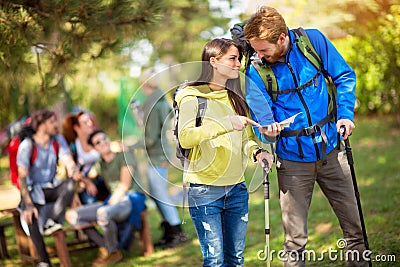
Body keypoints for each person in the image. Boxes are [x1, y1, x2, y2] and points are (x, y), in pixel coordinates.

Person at [243, 6, 368, 267]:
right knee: (294, 241)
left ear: (281, 38)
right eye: (255, 49)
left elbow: (344, 76)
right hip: (292, 161)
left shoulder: (313, 42)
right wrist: (267, 131)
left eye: (263, 49)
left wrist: (345, 114)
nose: (258, 54)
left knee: (355, 228)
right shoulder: (256, 72)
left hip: (333, 150)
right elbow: (261, 122)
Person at [175, 38, 275, 267]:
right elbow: (186, 137)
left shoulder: (235, 95)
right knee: (215, 260)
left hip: (237, 189)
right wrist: (225, 123)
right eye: (232, 58)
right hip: (205, 190)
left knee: (236, 259)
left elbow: (246, 139)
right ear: (214, 61)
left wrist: (258, 153)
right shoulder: (192, 97)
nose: (238, 64)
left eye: (238, 58)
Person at [66, 129, 146, 267]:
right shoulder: (100, 163)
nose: (103, 142)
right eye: (98, 142)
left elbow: (124, 185)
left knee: (103, 213)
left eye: (105, 138)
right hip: (113, 201)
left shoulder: (124, 156)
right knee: (72, 216)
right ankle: (106, 247)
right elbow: (85, 177)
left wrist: (109, 204)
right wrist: (87, 182)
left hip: (130, 199)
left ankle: (112, 252)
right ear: (94, 148)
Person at [129, 68, 188, 248]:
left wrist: (129, 146)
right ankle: (170, 230)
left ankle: (177, 233)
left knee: (160, 194)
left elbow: (150, 137)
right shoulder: (158, 100)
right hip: (159, 154)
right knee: (156, 194)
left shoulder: (154, 103)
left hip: (157, 156)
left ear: (144, 83)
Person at [17, 109, 80, 267]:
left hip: (51, 188)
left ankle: (52, 220)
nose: (55, 125)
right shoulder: (27, 146)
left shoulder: (57, 140)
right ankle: (44, 262)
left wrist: (73, 169)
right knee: (30, 216)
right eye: (51, 122)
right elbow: (22, 177)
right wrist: (29, 204)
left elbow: (68, 160)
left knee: (70, 184)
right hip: (33, 191)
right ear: (41, 125)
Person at [62, 111, 109, 205]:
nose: (90, 124)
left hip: (101, 175)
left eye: (90, 121)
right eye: (85, 122)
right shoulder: (73, 147)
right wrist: (86, 182)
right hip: (82, 180)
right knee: (89, 197)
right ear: (77, 128)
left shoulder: (97, 139)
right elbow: (72, 170)